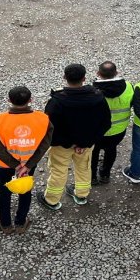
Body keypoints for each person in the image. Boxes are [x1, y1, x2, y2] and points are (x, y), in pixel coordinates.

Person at [40, 63, 110, 210]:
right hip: (86, 145)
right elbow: (105, 123)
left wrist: (69, 143)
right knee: (84, 168)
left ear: (64, 77)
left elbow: (49, 128)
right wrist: (85, 143)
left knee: (58, 171)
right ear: (84, 78)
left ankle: (52, 200)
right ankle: (81, 194)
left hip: (61, 146)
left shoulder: (56, 101)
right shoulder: (98, 97)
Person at [0, 85, 52, 234]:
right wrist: (27, 165)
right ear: (31, 100)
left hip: (4, 165)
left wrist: (15, 165)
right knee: (25, 190)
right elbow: (45, 143)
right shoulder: (43, 119)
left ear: (9, 100)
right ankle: (20, 222)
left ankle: (5, 224)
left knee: (4, 192)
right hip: (29, 164)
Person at [90, 61, 131, 185]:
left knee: (93, 152)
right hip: (119, 129)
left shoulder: (91, 91)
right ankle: (105, 174)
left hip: (97, 131)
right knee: (111, 150)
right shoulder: (129, 87)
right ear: (116, 72)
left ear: (98, 73)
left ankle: (92, 177)